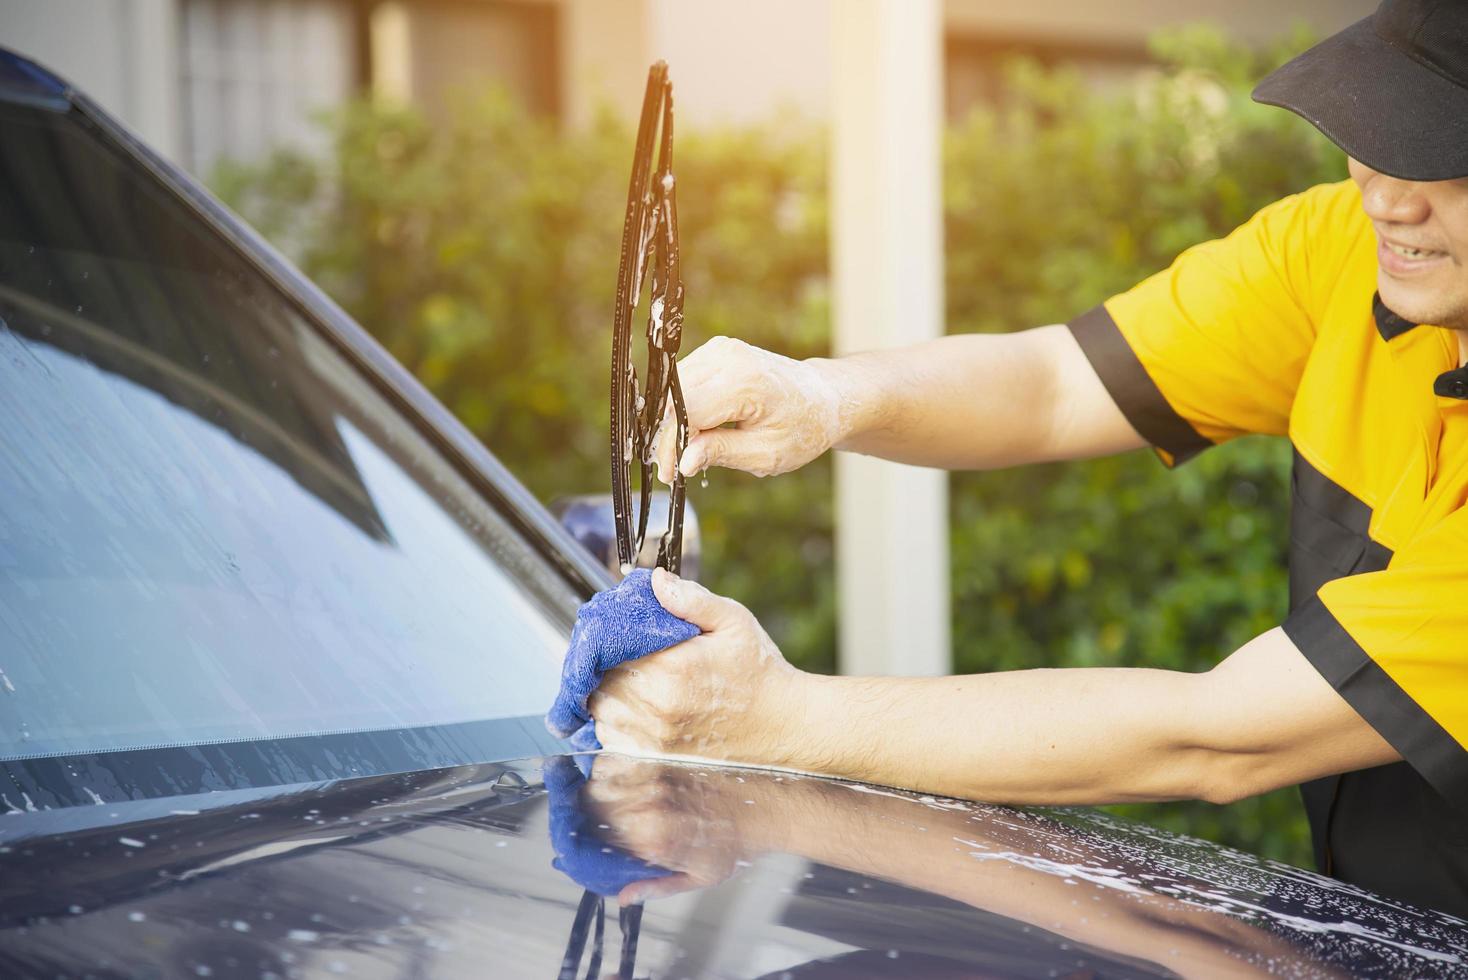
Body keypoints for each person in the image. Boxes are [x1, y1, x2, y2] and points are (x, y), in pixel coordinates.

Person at [585, 0, 1468, 916]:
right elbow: (1054, 383)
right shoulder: (1344, 255)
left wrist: (775, 718)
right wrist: (827, 398)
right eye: (1374, 127)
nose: (1387, 193)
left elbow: (1219, 738)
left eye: (1446, 155)